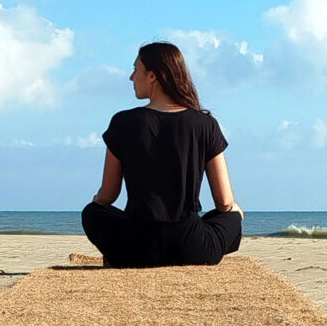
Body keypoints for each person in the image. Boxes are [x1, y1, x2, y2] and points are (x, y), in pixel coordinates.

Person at [80, 42, 244, 268]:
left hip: (137, 249)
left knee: (92, 213)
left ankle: (116, 254)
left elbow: (108, 195)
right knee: (232, 215)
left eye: (136, 69)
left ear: (153, 76)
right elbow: (224, 201)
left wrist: (96, 204)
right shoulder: (205, 124)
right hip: (192, 249)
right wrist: (234, 211)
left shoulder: (123, 122)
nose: (131, 77)